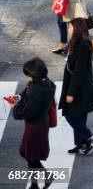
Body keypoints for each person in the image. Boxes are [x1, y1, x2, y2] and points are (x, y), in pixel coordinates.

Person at [59, 18, 93, 156]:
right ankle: (82, 144)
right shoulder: (76, 43)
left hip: (79, 88)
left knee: (70, 115)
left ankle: (89, 137)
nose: (68, 29)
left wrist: (71, 93)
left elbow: (78, 72)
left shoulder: (82, 46)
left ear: (76, 28)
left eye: (70, 26)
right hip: (78, 86)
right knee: (79, 115)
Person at [9, 58, 55, 189]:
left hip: (35, 128)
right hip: (40, 125)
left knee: (30, 156)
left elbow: (23, 113)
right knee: (30, 155)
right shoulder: (44, 82)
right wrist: (19, 97)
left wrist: (15, 106)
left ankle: (37, 183)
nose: (26, 77)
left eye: (27, 75)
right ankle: (40, 181)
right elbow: (29, 89)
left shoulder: (37, 94)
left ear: (34, 75)